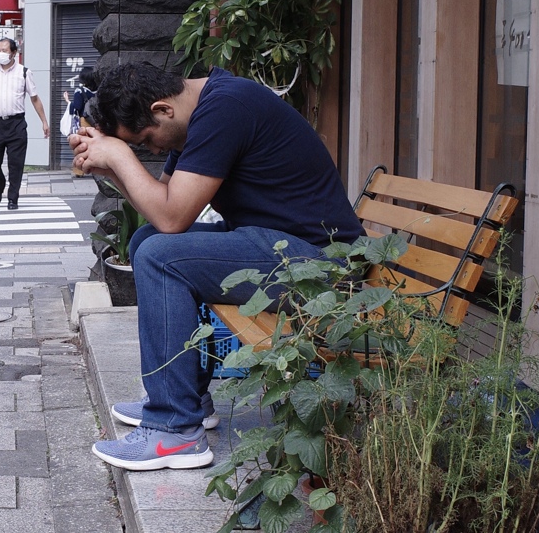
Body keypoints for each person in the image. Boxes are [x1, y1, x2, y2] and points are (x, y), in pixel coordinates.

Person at [70, 62, 364, 471]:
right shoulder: (203, 108)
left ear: (162, 110)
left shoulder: (226, 109)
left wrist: (119, 155)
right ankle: (186, 397)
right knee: (147, 242)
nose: (152, 150)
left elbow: (174, 217)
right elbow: (165, 214)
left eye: (146, 139)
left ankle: (175, 429)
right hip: (283, 247)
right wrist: (112, 167)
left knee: (159, 256)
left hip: (318, 264)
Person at [0, 39, 49, 210]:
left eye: (4, 50)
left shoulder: (24, 72)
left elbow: (35, 98)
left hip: (16, 124)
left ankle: (13, 197)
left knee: (16, 164)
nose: (1, 53)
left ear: (14, 53)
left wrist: (44, 122)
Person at [63, 66, 99, 134]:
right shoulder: (99, 92)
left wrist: (68, 101)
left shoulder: (80, 91)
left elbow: (77, 107)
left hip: (84, 124)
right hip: (98, 124)